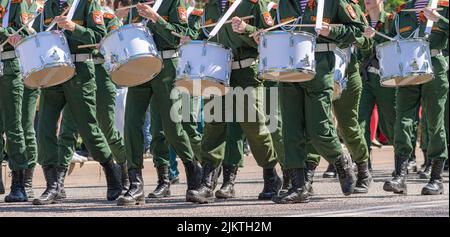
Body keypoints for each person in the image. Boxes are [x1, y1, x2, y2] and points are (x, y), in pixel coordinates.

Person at [266, 0, 366, 204]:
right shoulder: (284, 4)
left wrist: (332, 30)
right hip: (288, 68)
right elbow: (280, 31)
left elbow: (358, 31)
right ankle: (299, 186)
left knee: (318, 127)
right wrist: (264, 35)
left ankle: (341, 161)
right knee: (290, 130)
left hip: (319, 67)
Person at [184, 0, 282, 204]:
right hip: (216, 73)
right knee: (213, 126)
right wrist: (192, 41)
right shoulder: (210, 7)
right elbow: (206, 36)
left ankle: (271, 175)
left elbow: (272, 36)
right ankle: (207, 183)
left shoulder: (253, 4)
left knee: (255, 127)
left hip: (245, 72)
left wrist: (248, 29)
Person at [30, 0, 123, 205]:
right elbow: (37, 35)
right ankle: (53, 185)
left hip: (80, 71)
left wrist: (74, 28)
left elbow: (100, 37)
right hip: (53, 70)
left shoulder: (87, 4)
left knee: (88, 128)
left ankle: (112, 172)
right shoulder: (49, 6)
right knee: (45, 128)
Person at [117, 0, 203, 206]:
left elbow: (180, 35)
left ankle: (194, 172)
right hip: (140, 68)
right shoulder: (135, 7)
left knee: (172, 128)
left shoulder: (174, 3)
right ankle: (136, 184)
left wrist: (156, 18)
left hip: (166, 67)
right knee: (131, 124)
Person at [365, 0, 448, 195]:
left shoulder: (444, 6)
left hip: (434, 68)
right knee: (402, 121)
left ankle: (436, 178)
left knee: (434, 123)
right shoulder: (403, 11)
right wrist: (374, 36)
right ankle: (400, 176)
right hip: (406, 70)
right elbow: (393, 40)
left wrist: (440, 19)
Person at [56, 0, 130, 199]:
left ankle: (124, 171)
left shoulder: (106, 15)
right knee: (68, 128)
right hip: (77, 71)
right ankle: (57, 185)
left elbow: (113, 41)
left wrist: (102, 42)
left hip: (101, 72)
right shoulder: (66, 8)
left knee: (107, 128)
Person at [304, 0, 373, 195]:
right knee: (315, 122)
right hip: (316, 73)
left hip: (346, 75)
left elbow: (365, 41)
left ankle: (363, 170)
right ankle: (308, 176)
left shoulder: (344, 5)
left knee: (347, 126)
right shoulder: (306, 6)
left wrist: (333, 32)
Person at [358, 0, 397, 175]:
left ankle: (403, 163)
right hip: (365, 77)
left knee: (391, 123)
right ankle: (364, 168)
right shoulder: (360, 21)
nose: (367, 1)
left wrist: (376, 36)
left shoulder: (392, 20)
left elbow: (396, 44)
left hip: (386, 78)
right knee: (360, 122)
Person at [0, 0, 33, 203]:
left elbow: (21, 34)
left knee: (14, 128)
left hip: (10, 67)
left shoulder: (15, 3)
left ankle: (19, 185)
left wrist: (4, 32)